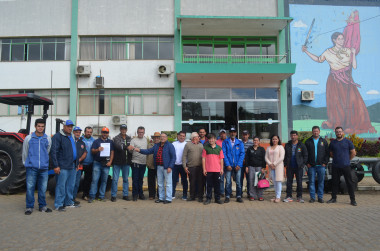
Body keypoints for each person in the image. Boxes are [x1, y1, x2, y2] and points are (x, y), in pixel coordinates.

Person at [302, 12, 376, 135]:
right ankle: (339, 125)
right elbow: (318, 59)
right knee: (337, 105)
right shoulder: (328, 51)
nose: (342, 40)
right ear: (334, 40)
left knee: (353, 101)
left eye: (343, 38)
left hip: (347, 80)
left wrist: (353, 53)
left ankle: (352, 125)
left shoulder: (348, 50)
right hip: (334, 80)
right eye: (340, 39)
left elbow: (355, 66)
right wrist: (306, 52)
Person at [135, 133, 176, 204]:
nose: (162, 138)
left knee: (168, 183)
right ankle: (161, 198)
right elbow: (148, 151)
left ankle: (169, 198)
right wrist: (139, 150)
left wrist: (170, 166)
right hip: (159, 167)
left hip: (167, 167)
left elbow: (173, 157)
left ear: (166, 138)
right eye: (161, 137)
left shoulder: (170, 145)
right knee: (160, 183)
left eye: (164, 137)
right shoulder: (156, 146)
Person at [22, 118, 52, 215]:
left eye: (42, 126)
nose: (40, 128)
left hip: (43, 168)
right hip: (31, 168)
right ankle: (29, 207)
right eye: (39, 126)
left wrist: (43, 162)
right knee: (30, 188)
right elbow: (25, 153)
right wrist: (27, 164)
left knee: (43, 188)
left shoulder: (47, 138)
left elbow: (47, 151)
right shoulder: (29, 138)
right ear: (35, 126)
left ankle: (42, 206)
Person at [51, 120, 80, 211]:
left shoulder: (72, 136)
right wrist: (56, 165)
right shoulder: (57, 136)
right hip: (62, 166)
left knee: (70, 186)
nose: (70, 128)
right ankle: (58, 204)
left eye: (71, 126)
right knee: (61, 186)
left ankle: (68, 202)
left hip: (72, 166)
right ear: (64, 126)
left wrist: (77, 163)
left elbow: (75, 151)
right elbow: (54, 152)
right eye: (68, 126)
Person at [328, 127, 357, 206]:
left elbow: (353, 153)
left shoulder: (348, 142)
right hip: (335, 166)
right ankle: (333, 198)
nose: (339, 133)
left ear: (343, 132)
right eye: (337, 132)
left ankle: (353, 200)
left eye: (340, 131)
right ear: (335, 133)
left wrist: (347, 159)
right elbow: (331, 153)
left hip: (346, 166)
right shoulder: (332, 143)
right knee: (334, 183)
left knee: (349, 183)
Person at [88, 127, 114, 203]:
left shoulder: (110, 142)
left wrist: (110, 162)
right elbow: (92, 151)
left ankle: (101, 196)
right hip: (97, 163)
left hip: (106, 164)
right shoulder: (96, 141)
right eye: (103, 132)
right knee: (94, 180)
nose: (105, 134)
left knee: (104, 181)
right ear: (101, 133)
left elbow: (112, 152)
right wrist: (97, 150)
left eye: (106, 132)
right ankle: (92, 196)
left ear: (108, 134)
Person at [305, 126, 330, 203]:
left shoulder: (324, 141)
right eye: (314, 131)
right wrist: (307, 163)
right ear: (312, 132)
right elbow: (305, 154)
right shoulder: (308, 141)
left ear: (319, 132)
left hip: (321, 166)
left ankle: (320, 197)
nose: (315, 132)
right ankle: (312, 197)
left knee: (321, 182)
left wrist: (325, 163)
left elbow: (327, 153)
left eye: (317, 131)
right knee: (311, 182)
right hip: (311, 166)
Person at [283, 131, 308, 203]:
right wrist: (285, 164)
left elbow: (305, 155)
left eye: (294, 135)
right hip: (290, 166)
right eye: (292, 135)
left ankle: (299, 197)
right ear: (290, 136)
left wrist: (303, 164)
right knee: (289, 182)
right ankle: (288, 196)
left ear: (297, 136)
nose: (293, 137)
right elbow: (285, 155)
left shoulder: (301, 145)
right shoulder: (287, 145)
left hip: (299, 167)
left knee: (299, 182)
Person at [222, 127, 245, 203]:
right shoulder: (225, 142)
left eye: (234, 132)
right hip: (228, 165)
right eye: (231, 132)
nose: (233, 133)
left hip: (238, 166)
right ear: (229, 133)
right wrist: (227, 164)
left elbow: (242, 154)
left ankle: (238, 196)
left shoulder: (240, 142)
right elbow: (224, 154)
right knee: (228, 181)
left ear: (236, 133)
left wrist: (239, 164)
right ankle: (227, 196)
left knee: (238, 181)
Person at [111, 124, 132, 202]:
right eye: (122, 129)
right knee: (115, 180)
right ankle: (113, 195)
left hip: (126, 163)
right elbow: (118, 147)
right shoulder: (116, 138)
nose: (123, 130)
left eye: (125, 129)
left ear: (126, 130)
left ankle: (125, 195)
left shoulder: (129, 138)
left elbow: (131, 149)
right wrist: (127, 147)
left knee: (126, 179)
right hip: (117, 162)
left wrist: (130, 148)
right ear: (120, 130)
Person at [202, 133, 224, 205]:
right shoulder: (205, 148)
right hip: (208, 170)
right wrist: (204, 169)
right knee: (209, 185)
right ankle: (208, 198)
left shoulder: (219, 148)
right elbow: (203, 159)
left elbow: (221, 159)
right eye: (209, 139)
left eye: (212, 139)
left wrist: (221, 169)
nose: (211, 140)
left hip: (217, 170)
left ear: (215, 140)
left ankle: (217, 199)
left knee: (217, 185)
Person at [182, 132, 204, 202]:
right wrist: (184, 166)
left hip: (200, 167)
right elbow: (184, 156)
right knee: (192, 182)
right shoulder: (188, 145)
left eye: (198, 137)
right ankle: (192, 196)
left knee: (201, 182)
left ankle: (200, 196)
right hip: (191, 167)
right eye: (198, 136)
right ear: (194, 138)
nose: (199, 137)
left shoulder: (201, 145)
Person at [128, 126, 148, 201]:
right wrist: (131, 148)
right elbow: (130, 151)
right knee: (135, 179)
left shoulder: (146, 140)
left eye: (142, 132)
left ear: (144, 133)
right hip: (135, 162)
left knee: (141, 179)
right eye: (139, 132)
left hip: (143, 163)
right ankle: (135, 194)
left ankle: (141, 194)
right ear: (137, 132)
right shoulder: (133, 140)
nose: (141, 133)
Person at [245, 136, 266, 201]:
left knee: (259, 181)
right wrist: (246, 167)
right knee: (251, 181)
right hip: (251, 167)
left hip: (259, 167)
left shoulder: (262, 149)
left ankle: (260, 195)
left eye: (257, 140)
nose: (255, 141)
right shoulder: (249, 149)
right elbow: (247, 158)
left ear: (259, 142)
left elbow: (263, 159)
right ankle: (252, 195)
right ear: (253, 141)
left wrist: (263, 168)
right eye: (254, 140)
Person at [265, 135, 285, 203]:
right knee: (274, 182)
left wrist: (274, 164)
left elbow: (281, 157)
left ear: (278, 140)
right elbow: (266, 157)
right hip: (271, 167)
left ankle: (278, 197)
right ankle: (276, 196)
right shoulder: (269, 147)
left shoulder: (280, 147)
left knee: (278, 182)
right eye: (273, 139)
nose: (274, 140)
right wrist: (270, 164)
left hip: (278, 166)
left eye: (276, 139)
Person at [72, 126, 87, 203]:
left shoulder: (82, 143)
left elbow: (85, 153)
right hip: (71, 166)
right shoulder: (70, 141)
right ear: (73, 132)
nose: (78, 133)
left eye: (79, 132)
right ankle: (68, 198)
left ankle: (73, 198)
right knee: (71, 183)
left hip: (79, 166)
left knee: (77, 183)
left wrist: (79, 160)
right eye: (76, 132)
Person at [171, 131, 188, 200]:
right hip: (175, 165)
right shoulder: (173, 144)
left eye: (183, 136)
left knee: (184, 180)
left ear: (185, 137)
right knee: (173, 180)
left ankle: (184, 194)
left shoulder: (187, 144)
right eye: (180, 135)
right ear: (178, 136)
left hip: (183, 165)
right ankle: (172, 194)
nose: (182, 137)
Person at [80, 126, 95, 201]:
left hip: (90, 163)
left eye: (90, 132)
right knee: (76, 180)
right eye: (87, 132)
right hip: (81, 163)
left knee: (87, 180)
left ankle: (85, 195)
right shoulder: (80, 139)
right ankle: (73, 195)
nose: (89, 133)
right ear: (85, 132)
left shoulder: (94, 140)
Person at [146, 132, 161, 200]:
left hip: (159, 166)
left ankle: (159, 194)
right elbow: (146, 154)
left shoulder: (162, 145)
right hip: (151, 166)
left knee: (159, 182)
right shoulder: (149, 145)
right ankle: (151, 195)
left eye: (158, 137)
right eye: (155, 138)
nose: (156, 139)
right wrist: (147, 163)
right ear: (153, 138)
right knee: (151, 181)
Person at [241, 130, 253, 198]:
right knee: (240, 179)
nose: (245, 136)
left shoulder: (251, 144)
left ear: (248, 135)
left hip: (248, 164)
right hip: (241, 163)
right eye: (244, 135)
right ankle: (240, 193)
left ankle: (249, 193)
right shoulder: (239, 143)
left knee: (249, 179)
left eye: (246, 135)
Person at [216, 129, 227, 197]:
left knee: (229, 179)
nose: (222, 135)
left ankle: (229, 192)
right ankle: (222, 192)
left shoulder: (228, 141)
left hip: (228, 162)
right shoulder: (217, 142)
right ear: (219, 135)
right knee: (221, 178)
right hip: (220, 162)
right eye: (221, 134)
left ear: (226, 134)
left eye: (224, 133)